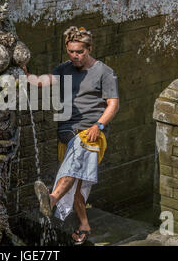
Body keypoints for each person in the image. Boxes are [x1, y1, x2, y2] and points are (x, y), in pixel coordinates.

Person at [23, 26, 119, 245]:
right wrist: (26, 75)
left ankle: (51, 199)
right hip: (67, 131)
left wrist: (99, 126)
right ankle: (84, 224)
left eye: (79, 52)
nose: (75, 56)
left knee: (75, 165)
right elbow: (43, 81)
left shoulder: (105, 72)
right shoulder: (64, 69)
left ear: (89, 48)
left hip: (92, 133)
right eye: (71, 52)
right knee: (76, 183)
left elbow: (113, 105)